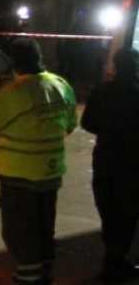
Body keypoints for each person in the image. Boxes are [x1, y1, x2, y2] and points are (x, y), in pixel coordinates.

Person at [0, 38, 77, 285]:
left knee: (19, 229)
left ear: (13, 63)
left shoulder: (14, 92)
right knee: (45, 224)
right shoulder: (60, 85)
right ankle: (45, 271)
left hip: (19, 172)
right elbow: (71, 123)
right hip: (51, 171)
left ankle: (29, 277)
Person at [80, 48, 139, 282]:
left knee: (108, 208)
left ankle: (112, 259)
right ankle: (117, 259)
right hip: (133, 162)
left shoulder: (102, 91)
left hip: (106, 159)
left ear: (116, 65)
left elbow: (87, 122)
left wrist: (108, 132)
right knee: (128, 211)